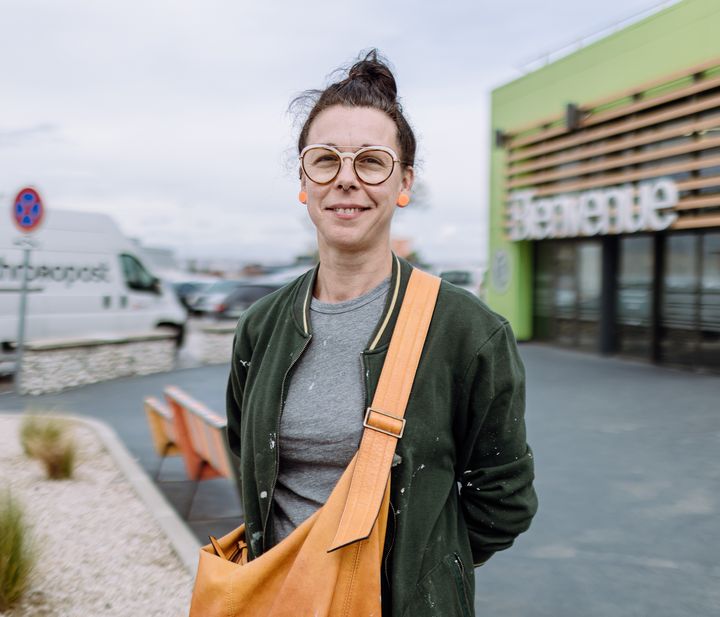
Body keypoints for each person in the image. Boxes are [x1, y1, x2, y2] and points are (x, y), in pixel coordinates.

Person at [226, 49, 537, 617]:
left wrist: (426, 569)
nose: (346, 179)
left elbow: (504, 500)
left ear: (403, 183)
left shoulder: (469, 333)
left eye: (372, 161)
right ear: (303, 180)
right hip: (276, 600)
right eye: (325, 160)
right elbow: (245, 456)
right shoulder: (261, 326)